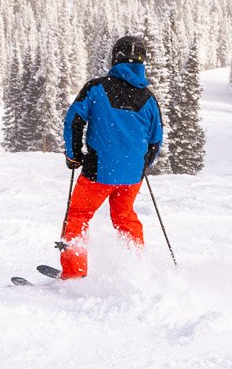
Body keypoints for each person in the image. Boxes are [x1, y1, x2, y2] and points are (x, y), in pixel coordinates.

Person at [59, 35, 164, 279]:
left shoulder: (96, 88)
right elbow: (155, 140)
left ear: (115, 57)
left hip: (99, 171)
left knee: (78, 216)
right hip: (132, 177)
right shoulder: (149, 98)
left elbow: (74, 120)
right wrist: (140, 165)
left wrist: (74, 156)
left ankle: (74, 274)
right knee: (125, 218)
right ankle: (137, 270)